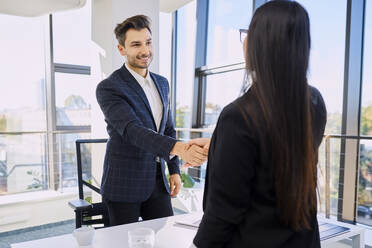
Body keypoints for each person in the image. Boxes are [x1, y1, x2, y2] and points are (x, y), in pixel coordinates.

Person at [192, 1, 327, 247]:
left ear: (262, 44)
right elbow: (281, 149)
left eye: (248, 34)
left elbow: (223, 215)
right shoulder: (314, 101)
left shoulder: (238, 115)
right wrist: (220, 146)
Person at [96, 15, 208, 226]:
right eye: (136, 44)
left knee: (164, 238)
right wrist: (180, 149)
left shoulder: (162, 84)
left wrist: (174, 170)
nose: (145, 51)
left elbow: (168, 129)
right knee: (121, 242)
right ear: (122, 49)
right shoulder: (109, 87)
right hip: (124, 182)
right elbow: (132, 130)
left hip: (157, 182)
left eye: (148, 42)